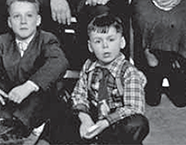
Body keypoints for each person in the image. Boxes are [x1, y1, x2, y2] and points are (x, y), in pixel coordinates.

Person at [0, 0, 68, 143]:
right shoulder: (3, 41)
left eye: (29, 16)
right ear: (9, 22)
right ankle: (0, 125)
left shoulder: (47, 40)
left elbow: (59, 62)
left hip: (37, 107)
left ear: (38, 20)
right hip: (11, 103)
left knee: (44, 85)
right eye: (17, 17)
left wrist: (29, 86)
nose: (23, 22)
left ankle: (12, 130)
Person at [50, 14, 150, 144]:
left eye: (111, 39)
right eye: (98, 41)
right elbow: (79, 95)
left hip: (116, 122)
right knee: (60, 112)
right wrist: (85, 119)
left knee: (136, 123)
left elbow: (134, 108)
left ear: (122, 42)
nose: (105, 46)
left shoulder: (129, 72)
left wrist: (106, 122)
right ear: (90, 46)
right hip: (94, 116)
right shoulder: (89, 65)